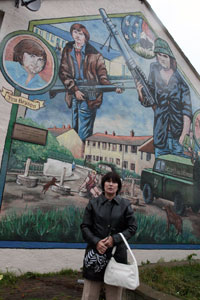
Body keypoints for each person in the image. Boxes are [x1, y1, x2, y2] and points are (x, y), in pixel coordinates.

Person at [59, 23, 121, 143]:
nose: (77, 36)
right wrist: (75, 89)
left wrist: (113, 88)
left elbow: (102, 77)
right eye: (75, 32)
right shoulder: (68, 49)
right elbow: (63, 72)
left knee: (84, 131)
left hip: (90, 95)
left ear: (85, 36)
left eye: (80, 33)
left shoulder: (96, 55)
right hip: (73, 92)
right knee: (75, 126)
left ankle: (81, 155)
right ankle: (75, 153)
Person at [80, 171, 137, 300]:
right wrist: (96, 242)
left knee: (114, 296)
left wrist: (114, 239)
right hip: (95, 254)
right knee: (90, 295)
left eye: (114, 182)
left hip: (116, 255)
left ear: (118, 186)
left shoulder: (125, 205)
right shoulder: (93, 204)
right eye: (108, 181)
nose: (111, 184)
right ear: (103, 184)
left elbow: (132, 227)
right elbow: (85, 227)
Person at [136, 38, 192, 158]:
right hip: (161, 135)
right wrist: (140, 92)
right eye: (159, 55)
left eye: (165, 56)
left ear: (171, 59)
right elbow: (148, 101)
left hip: (178, 136)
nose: (161, 59)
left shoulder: (181, 82)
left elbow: (187, 112)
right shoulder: (154, 72)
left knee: (178, 170)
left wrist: (184, 135)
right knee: (160, 170)